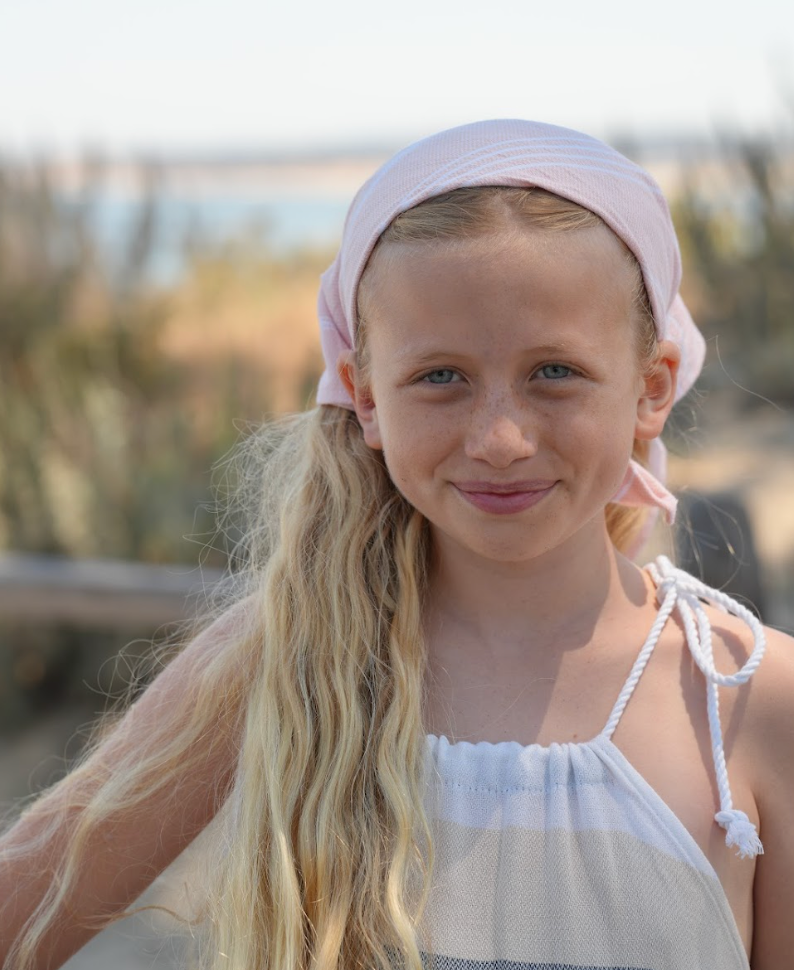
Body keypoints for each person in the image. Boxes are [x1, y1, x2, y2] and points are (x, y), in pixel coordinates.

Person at [1, 119, 792, 970]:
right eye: (439, 376)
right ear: (364, 394)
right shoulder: (288, 666)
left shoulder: (748, 703)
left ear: (652, 386)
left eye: (554, 372)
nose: (500, 438)